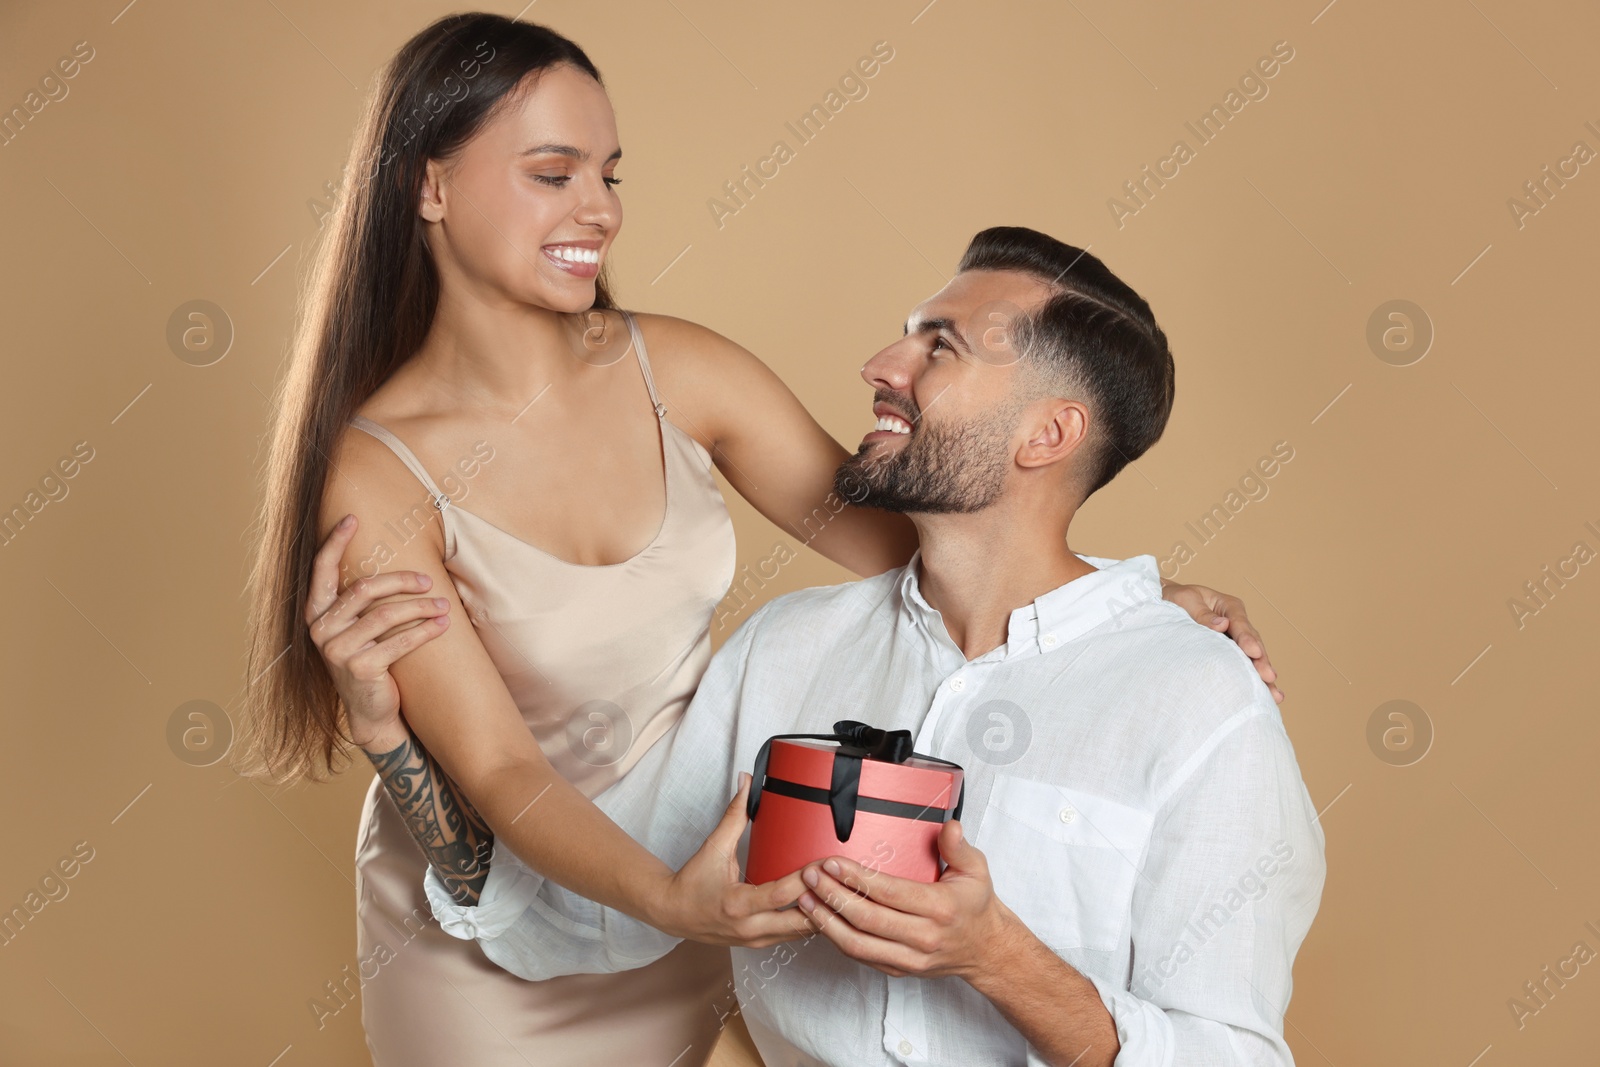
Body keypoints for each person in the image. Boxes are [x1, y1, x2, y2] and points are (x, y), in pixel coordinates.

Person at [239, 12, 1281, 1067]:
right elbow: (506, 768)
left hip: (710, 847)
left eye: (608, 174)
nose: (596, 211)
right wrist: (670, 895)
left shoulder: (678, 370)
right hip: (523, 889)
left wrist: (1128, 607)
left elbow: (926, 539)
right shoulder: (380, 474)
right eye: (552, 174)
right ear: (428, 185)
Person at [369, 228, 1327, 1066]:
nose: (880, 363)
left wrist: (997, 958)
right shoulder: (788, 653)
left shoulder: (1198, 697)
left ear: (1049, 433)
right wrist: (388, 732)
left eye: (937, 348)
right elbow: (586, 907)